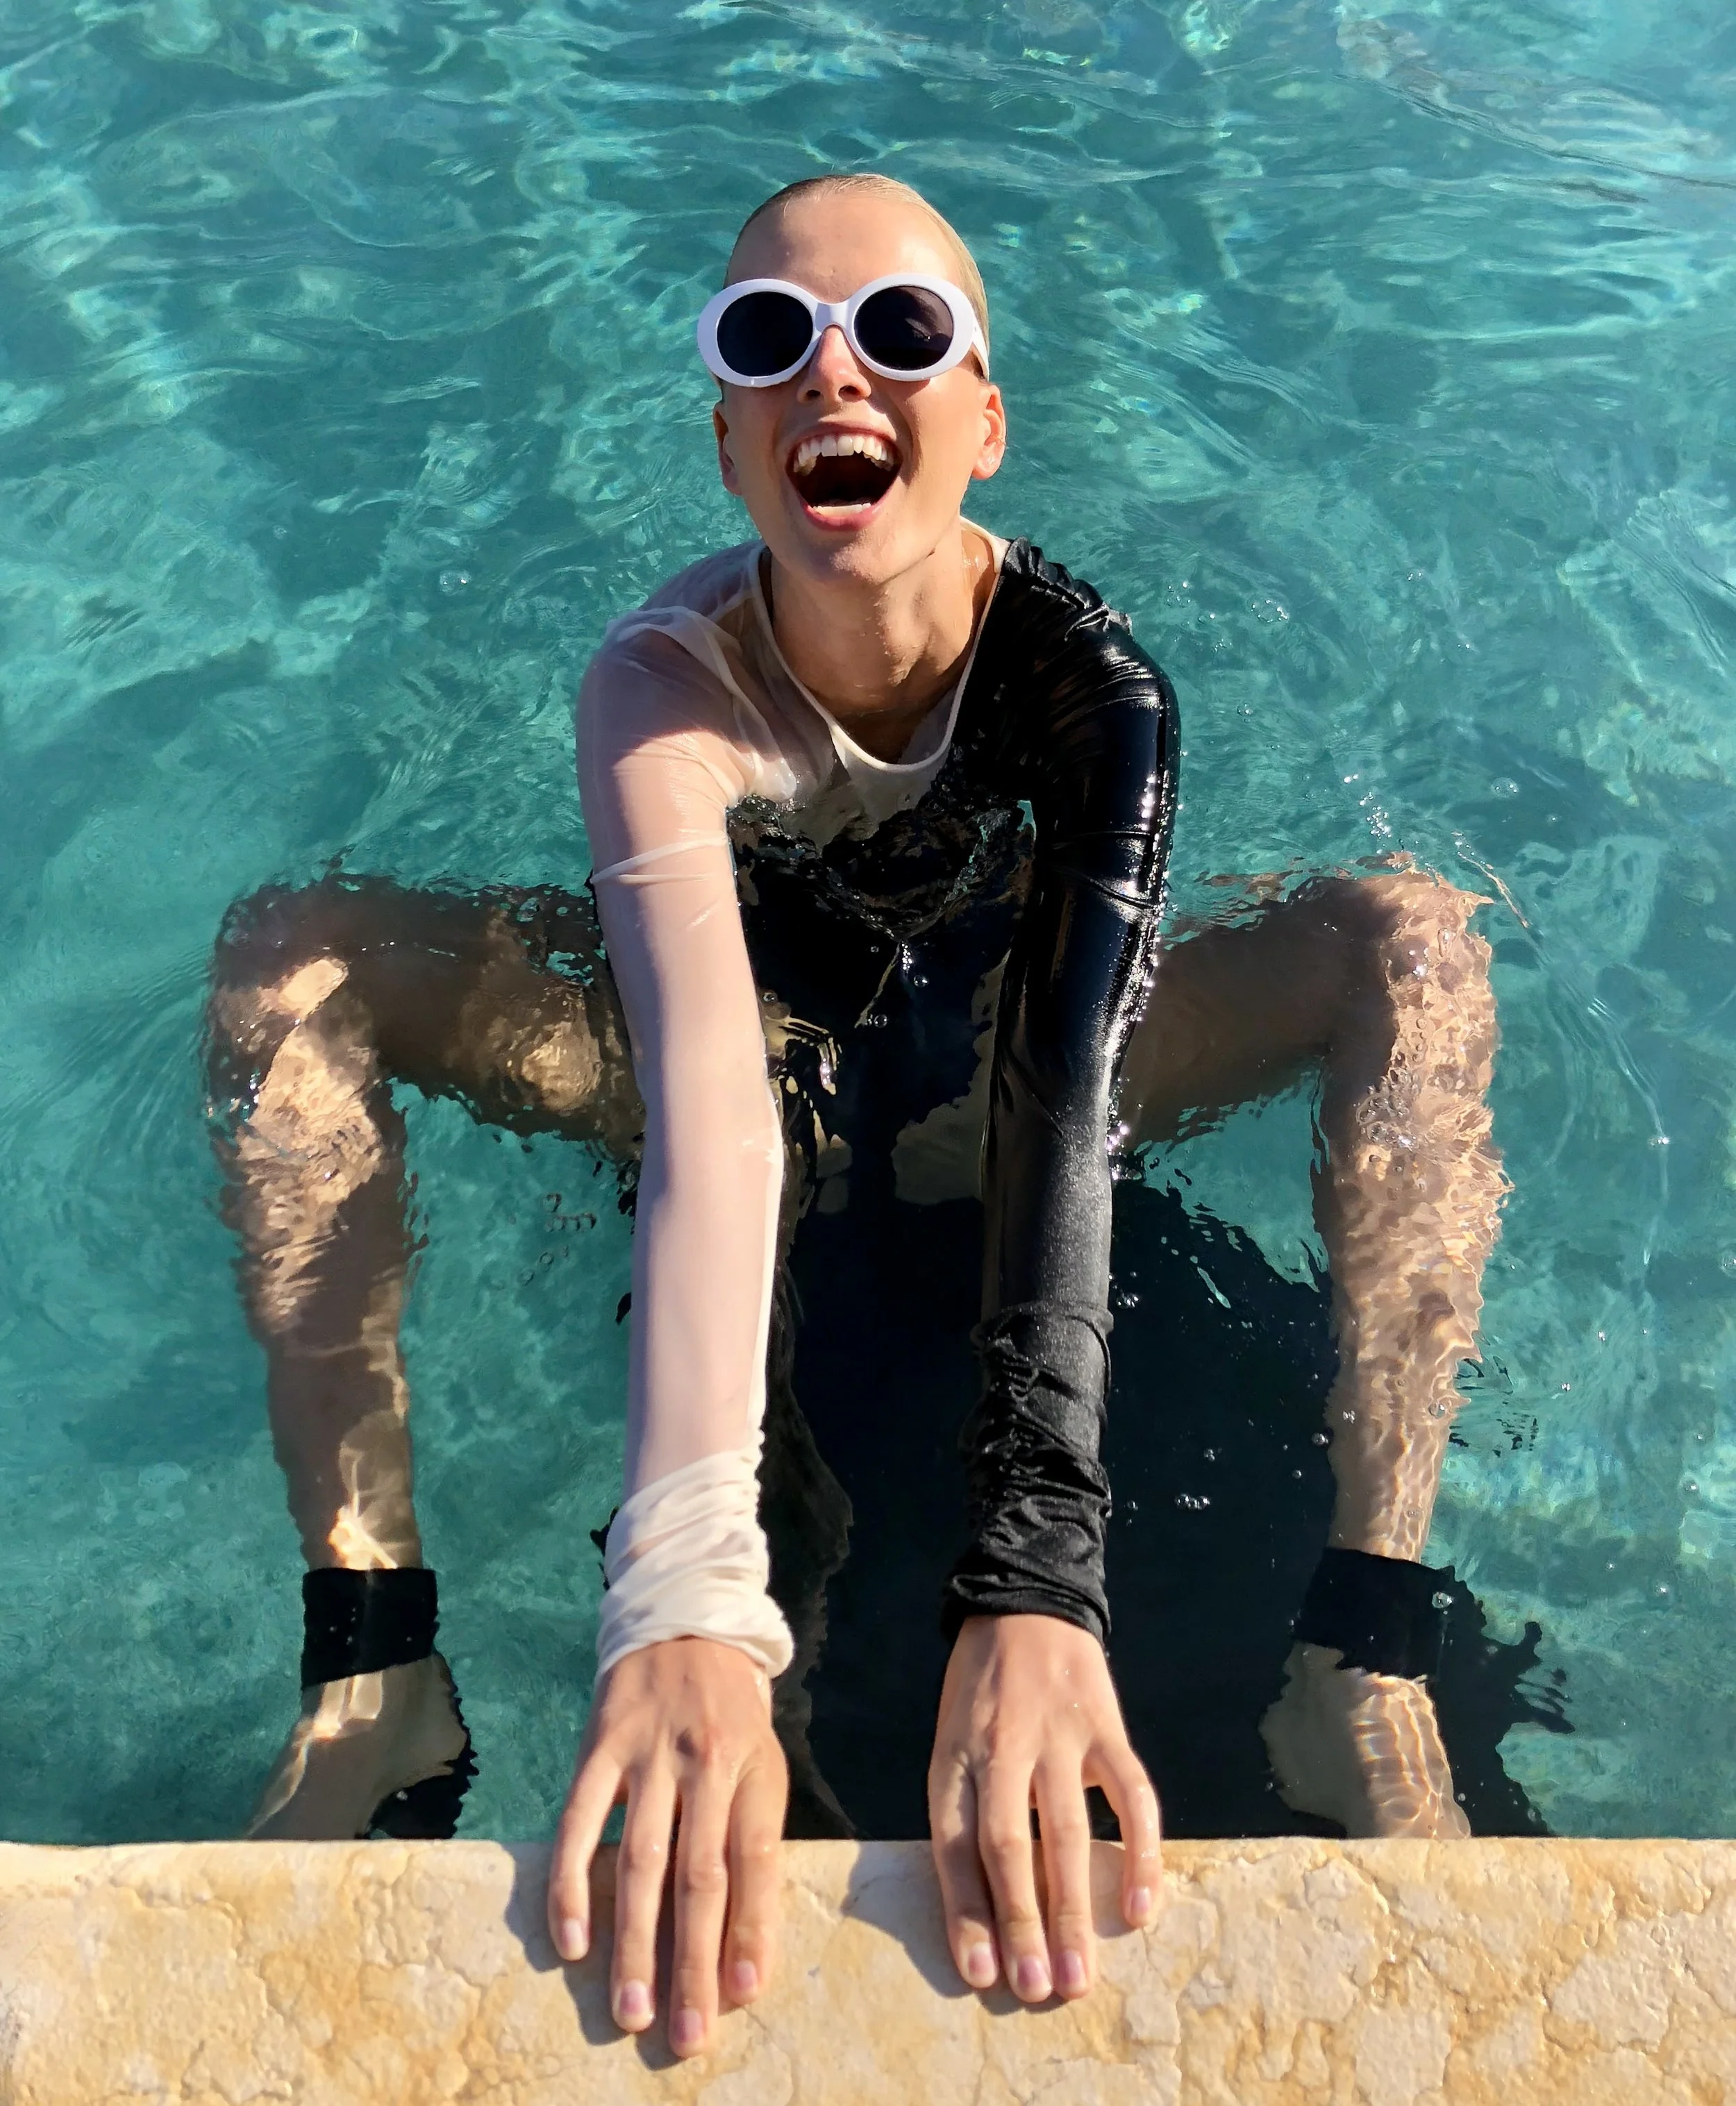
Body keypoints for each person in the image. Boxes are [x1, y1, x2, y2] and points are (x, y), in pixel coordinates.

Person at [203, 173, 1505, 2058]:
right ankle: (372, 1668)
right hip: (727, 1053)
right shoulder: (660, 686)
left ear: (984, 420)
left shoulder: (1092, 685)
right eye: (771, 340)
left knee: (1411, 942)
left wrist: (1037, 1584)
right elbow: (712, 1115)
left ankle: (1362, 1653)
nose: (836, 374)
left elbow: (1065, 1092)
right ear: (728, 440)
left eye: (900, 331)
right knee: (292, 959)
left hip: (999, 1069)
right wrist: (683, 1600)